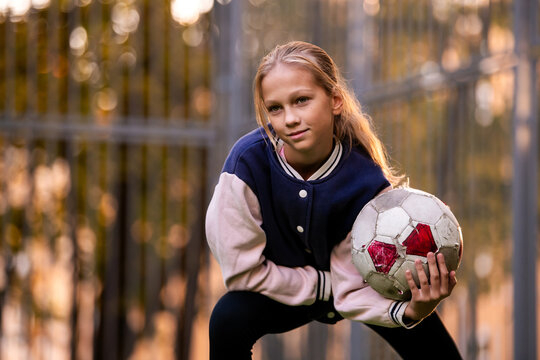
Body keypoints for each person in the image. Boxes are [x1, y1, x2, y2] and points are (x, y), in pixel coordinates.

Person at [205, 41, 462, 359]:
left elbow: (351, 288)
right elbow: (242, 271)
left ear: (335, 100)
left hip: (359, 284)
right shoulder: (246, 165)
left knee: (432, 342)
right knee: (227, 318)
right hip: (275, 287)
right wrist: (322, 285)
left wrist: (412, 310)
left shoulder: (364, 180)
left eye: (301, 100)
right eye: (275, 108)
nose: (289, 118)